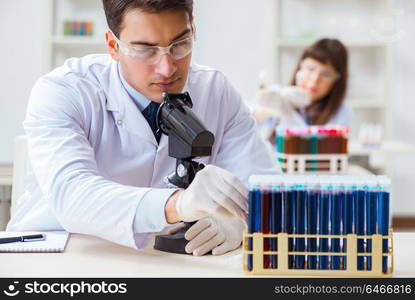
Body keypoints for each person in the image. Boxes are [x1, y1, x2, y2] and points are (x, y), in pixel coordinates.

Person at [7, 0, 279, 256]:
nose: (167, 68)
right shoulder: (65, 90)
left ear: (193, 30)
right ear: (112, 46)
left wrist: (241, 223)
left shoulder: (215, 90)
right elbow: (72, 195)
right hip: (61, 255)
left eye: (180, 44)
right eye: (145, 49)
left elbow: (264, 187)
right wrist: (178, 205)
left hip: (163, 262)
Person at [253, 38, 351, 143]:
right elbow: (245, 126)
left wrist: (289, 113)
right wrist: (268, 109)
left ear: (336, 81)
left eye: (325, 74)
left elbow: (316, 150)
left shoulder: (341, 112)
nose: (315, 79)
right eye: (311, 68)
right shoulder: (277, 93)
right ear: (300, 67)